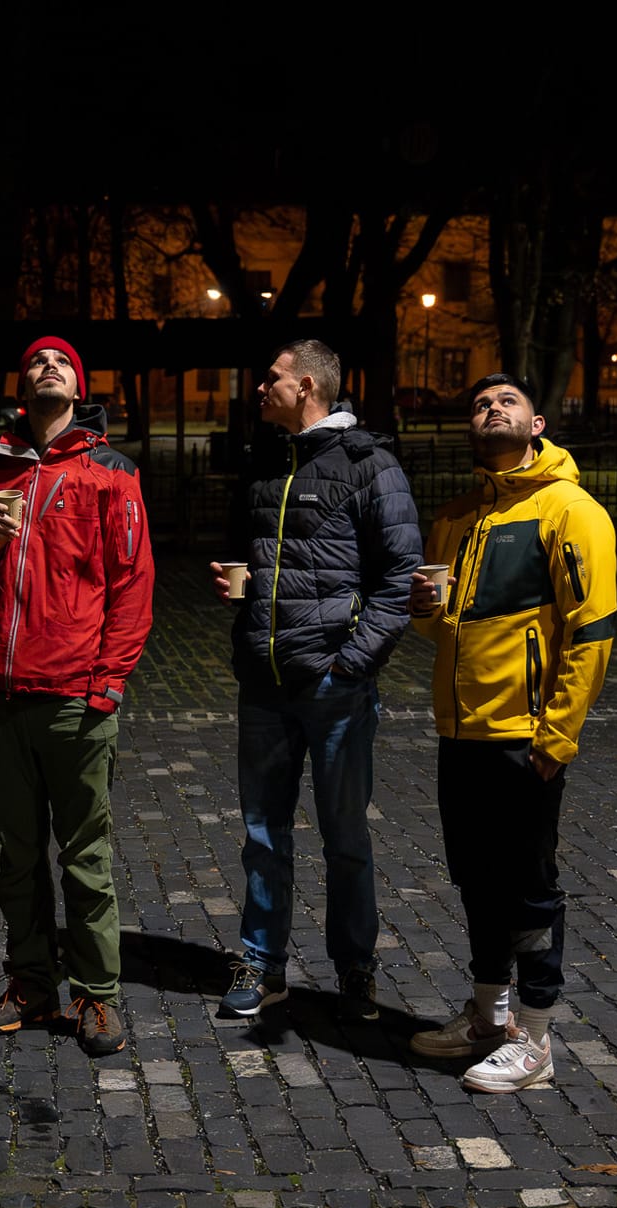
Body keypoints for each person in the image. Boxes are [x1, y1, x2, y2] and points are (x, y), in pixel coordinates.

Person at [0, 336, 155, 1058]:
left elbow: (132, 585)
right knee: (18, 858)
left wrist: (109, 682)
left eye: (61, 362)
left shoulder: (110, 472)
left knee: (85, 859)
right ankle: (31, 985)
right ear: (22, 385)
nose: (48, 367)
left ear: (79, 386)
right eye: (37, 360)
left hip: (74, 697)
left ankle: (98, 996)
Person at [407, 373, 616, 1093]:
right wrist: (423, 608)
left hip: (525, 737)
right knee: (477, 880)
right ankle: (489, 1017)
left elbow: (592, 632)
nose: (491, 409)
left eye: (507, 401)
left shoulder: (571, 511)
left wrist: (557, 737)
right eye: (479, 404)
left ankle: (536, 1037)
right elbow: (440, 629)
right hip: (460, 732)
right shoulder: (456, 516)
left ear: (537, 424)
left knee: (529, 888)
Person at [215, 339, 420, 1023]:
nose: (260, 388)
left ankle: (355, 968)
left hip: (334, 685)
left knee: (345, 839)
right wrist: (241, 589)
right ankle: (262, 963)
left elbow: (400, 577)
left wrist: (351, 663)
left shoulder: (369, 464)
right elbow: (267, 563)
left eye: (270, 378)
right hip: (265, 681)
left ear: (305, 385)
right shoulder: (266, 463)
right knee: (262, 834)